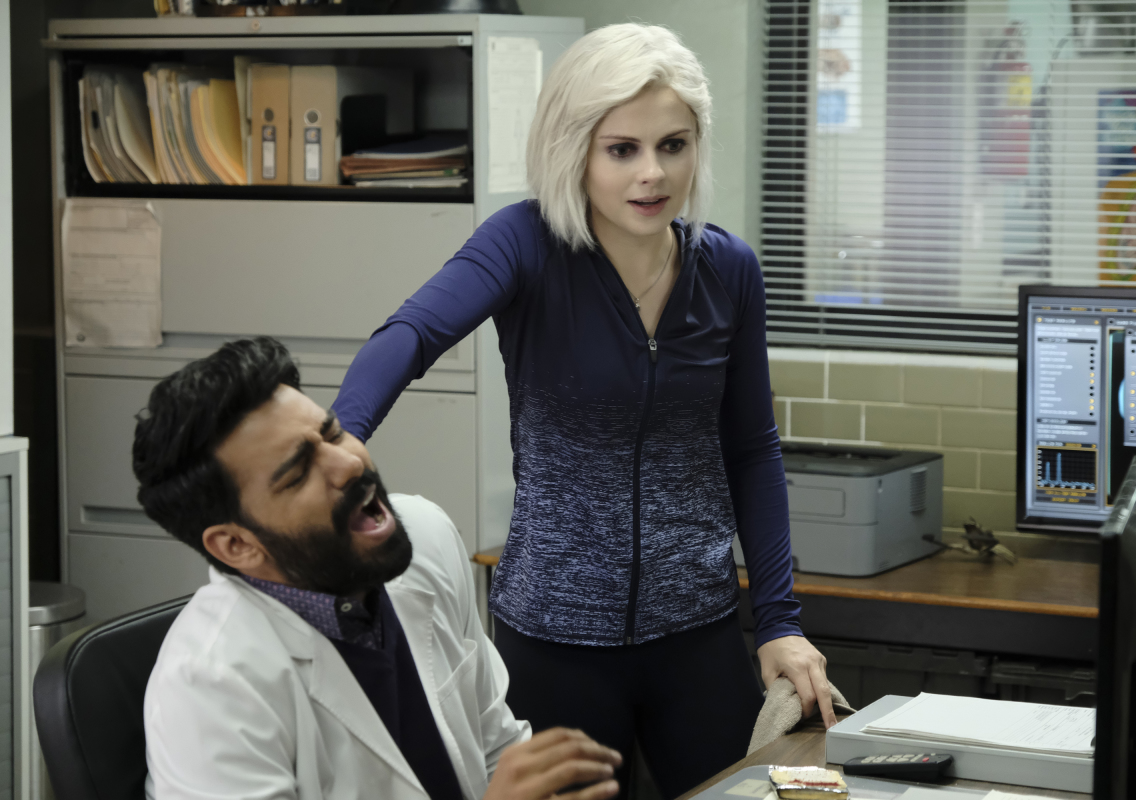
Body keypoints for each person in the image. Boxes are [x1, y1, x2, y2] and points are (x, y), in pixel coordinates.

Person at [332, 23, 834, 798]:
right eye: (622, 149)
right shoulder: (525, 245)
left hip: (696, 635)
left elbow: (751, 449)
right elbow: (413, 333)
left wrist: (780, 620)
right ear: (577, 151)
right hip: (554, 641)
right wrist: (337, 445)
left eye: (674, 144)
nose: (652, 173)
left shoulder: (728, 270)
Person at [133, 337, 622, 800]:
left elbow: (493, 747)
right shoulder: (208, 690)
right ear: (237, 544)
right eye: (301, 472)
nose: (347, 463)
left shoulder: (425, 538)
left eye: (332, 433)